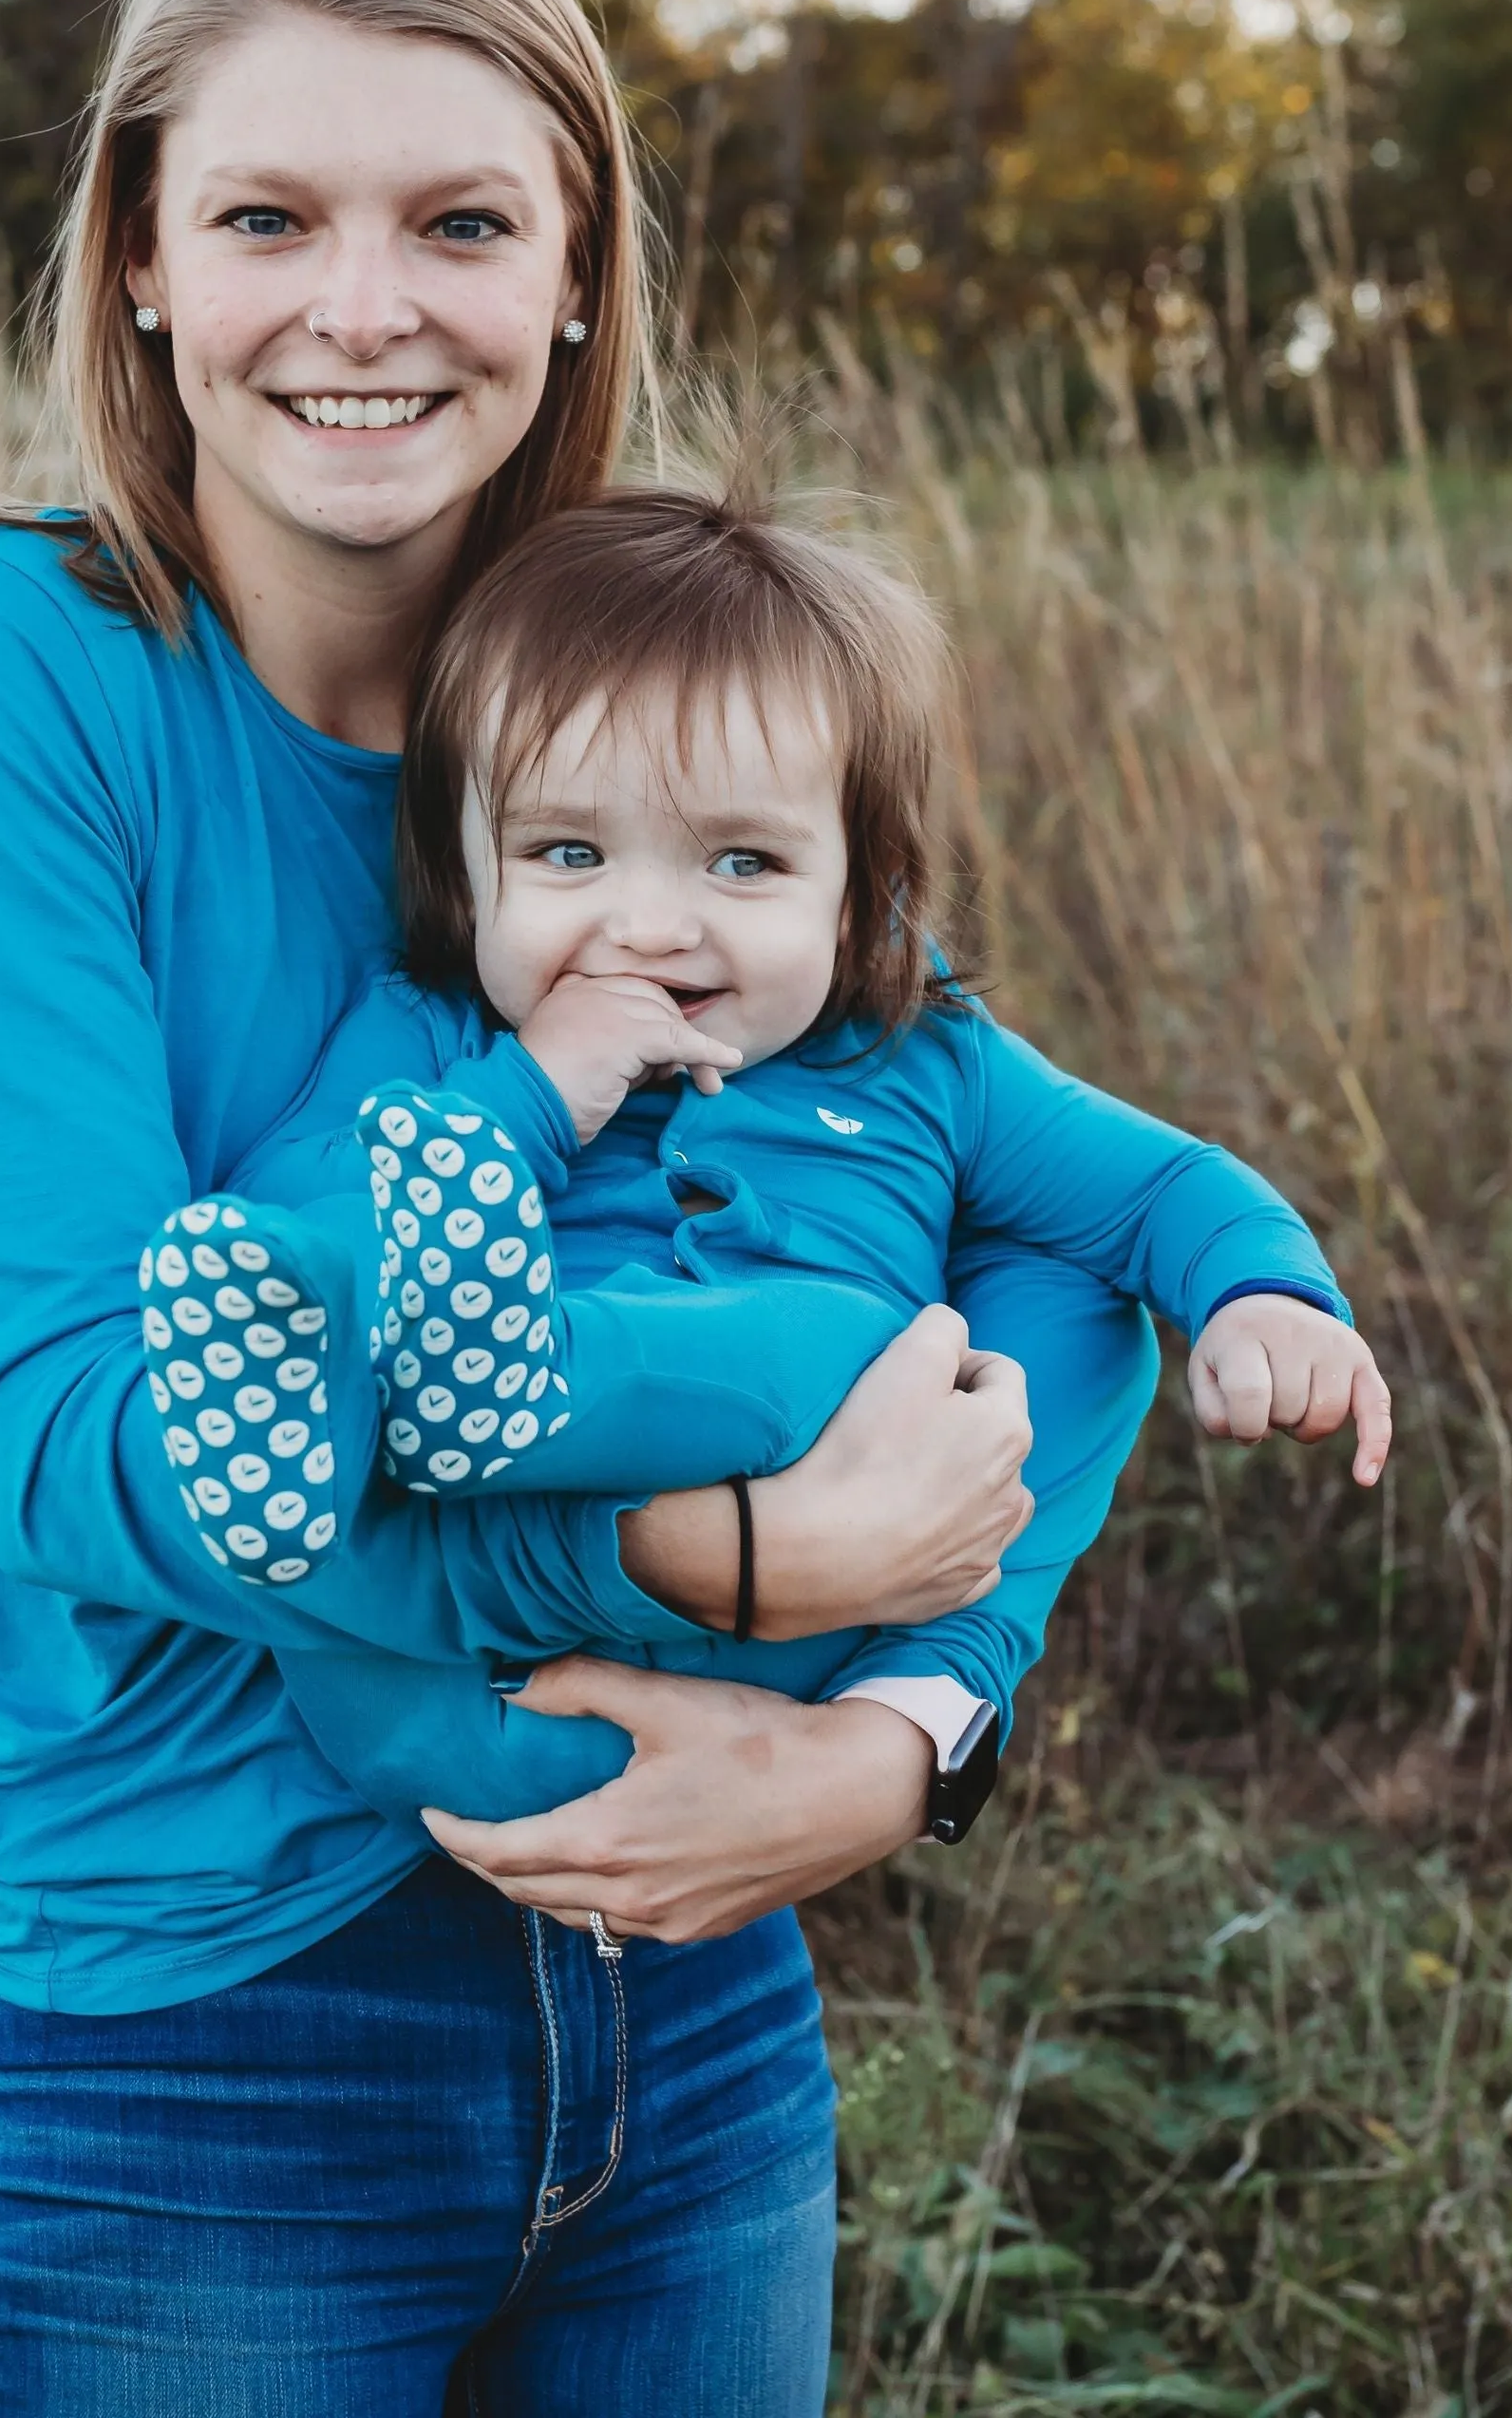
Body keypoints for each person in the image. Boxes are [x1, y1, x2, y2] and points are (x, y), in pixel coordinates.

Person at [0, 0, 1352, 2414]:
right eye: (266, 218)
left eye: (456, 221)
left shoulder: (654, 667)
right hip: (201, 2022)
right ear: (134, 257)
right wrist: (717, 1550)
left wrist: (894, 1745)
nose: (361, 306)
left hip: (694, 1967)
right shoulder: (17, 677)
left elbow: (1017, 1221)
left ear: (571, 271)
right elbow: (54, 1445)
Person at [158, 479, 1389, 1827]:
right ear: (466, 869)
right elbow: (294, 1218)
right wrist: (525, 1100)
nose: (650, 926)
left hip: (777, 1671)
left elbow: (1160, 1186)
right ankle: (411, 1425)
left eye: (741, 865)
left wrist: (1269, 1293)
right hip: (440, 1698)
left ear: (862, 891)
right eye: (569, 852)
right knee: (358, 1243)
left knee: (948, 1329)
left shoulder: (913, 1053)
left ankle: (521, 1389)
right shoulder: (433, 1037)